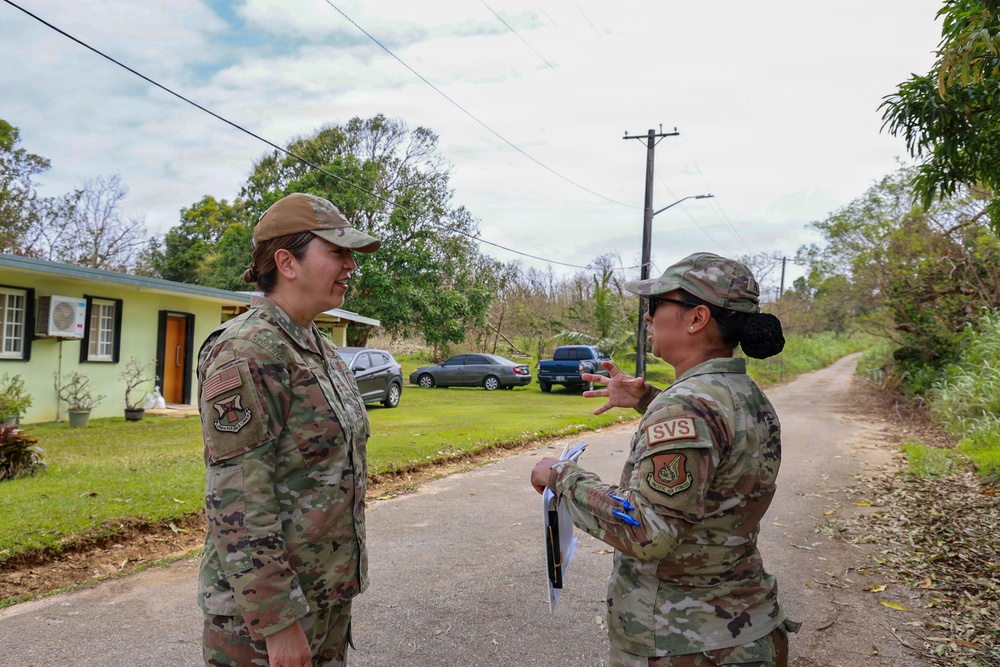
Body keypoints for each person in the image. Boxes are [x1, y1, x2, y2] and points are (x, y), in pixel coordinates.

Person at [530, 252, 799, 667]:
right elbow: (717, 447)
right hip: (744, 626)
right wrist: (648, 400)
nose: (647, 318)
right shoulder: (743, 393)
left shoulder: (688, 406)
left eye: (655, 306)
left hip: (688, 644)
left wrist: (560, 476)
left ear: (697, 319)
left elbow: (650, 532)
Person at [197, 192, 381, 667]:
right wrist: (277, 622)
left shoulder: (318, 347)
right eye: (336, 252)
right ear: (287, 263)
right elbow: (238, 498)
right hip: (264, 621)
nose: (350, 266)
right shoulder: (250, 350)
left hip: (322, 597)